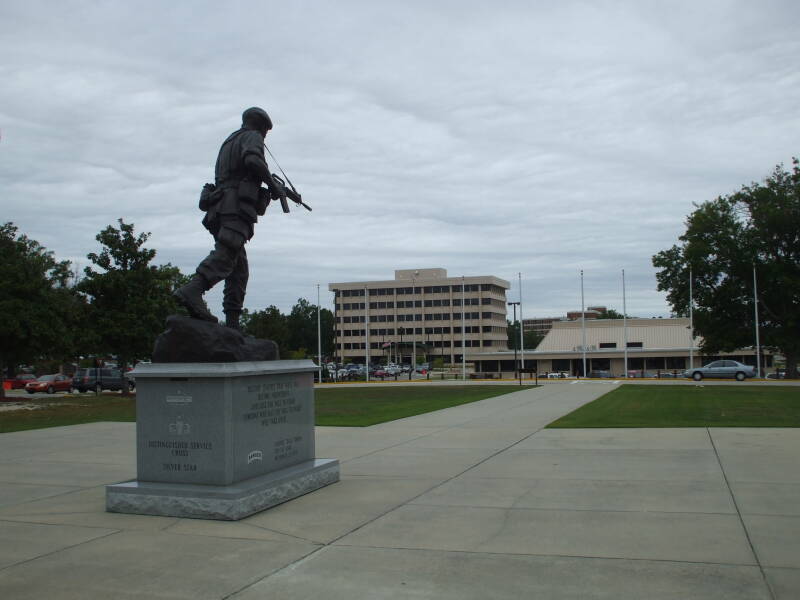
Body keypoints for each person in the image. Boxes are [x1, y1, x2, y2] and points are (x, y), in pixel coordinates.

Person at [174, 107, 286, 329]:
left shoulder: (229, 141)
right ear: (261, 127)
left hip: (221, 206)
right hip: (234, 207)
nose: (264, 138)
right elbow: (253, 160)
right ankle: (193, 289)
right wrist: (273, 186)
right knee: (226, 254)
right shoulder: (251, 136)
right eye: (265, 132)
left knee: (238, 269)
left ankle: (233, 323)